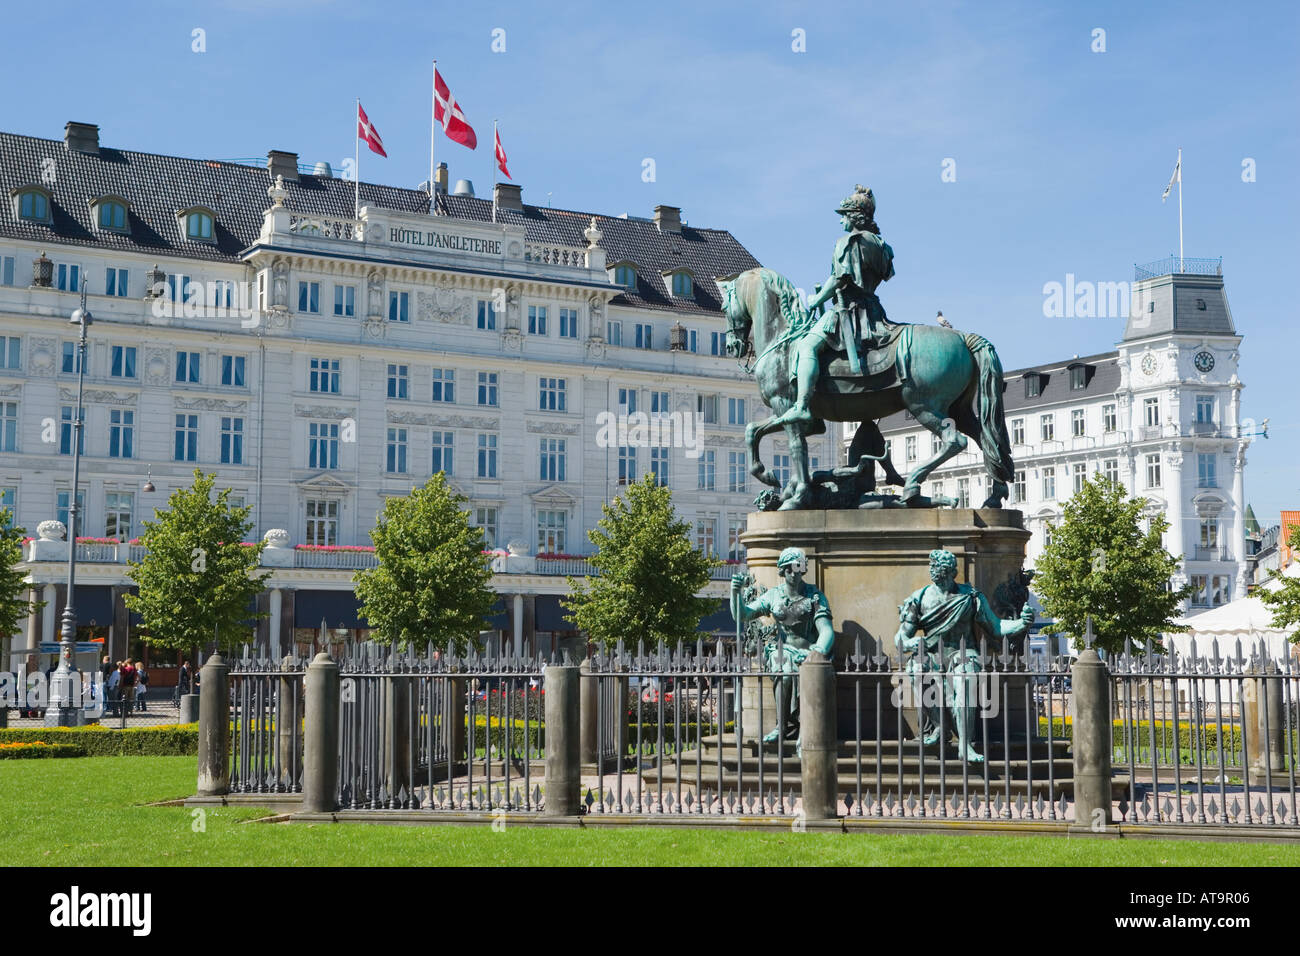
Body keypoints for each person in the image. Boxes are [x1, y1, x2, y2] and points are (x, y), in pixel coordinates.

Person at [894, 549, 1034, 762]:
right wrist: (910, 642)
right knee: (915, 668)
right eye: (933, 568)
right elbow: (901, 637)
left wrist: (1022, 623)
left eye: (940, 570)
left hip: (963, 652)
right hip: (932, 653)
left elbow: (995, 627)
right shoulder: (920, 598)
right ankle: (941, 727)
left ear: (952, 573)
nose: (935, 573)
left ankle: (965, 744)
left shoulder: (969, 597)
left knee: (965, 677)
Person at [779, 184, 899, 425]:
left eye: (844, 215)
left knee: (806, 347)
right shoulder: (881, 245)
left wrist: (816, 299)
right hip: (873, 310)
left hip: (848, 312)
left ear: (854, 216)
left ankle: (802, 405)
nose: (841, 220)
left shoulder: (848, 242)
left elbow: (838, 278)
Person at [731, 547, 836, 744]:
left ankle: (807, 727)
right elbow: (742, 614)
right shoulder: (773, 595)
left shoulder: (815, 596)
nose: (794, 574)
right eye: (789, 569)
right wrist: (735, 592)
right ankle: (782, 725)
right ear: (782, 570)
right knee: (784, 670)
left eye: (797, 569)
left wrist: (818, 651)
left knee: (809, 669)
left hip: (810, 650)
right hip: (783, 650)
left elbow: (826, 631)